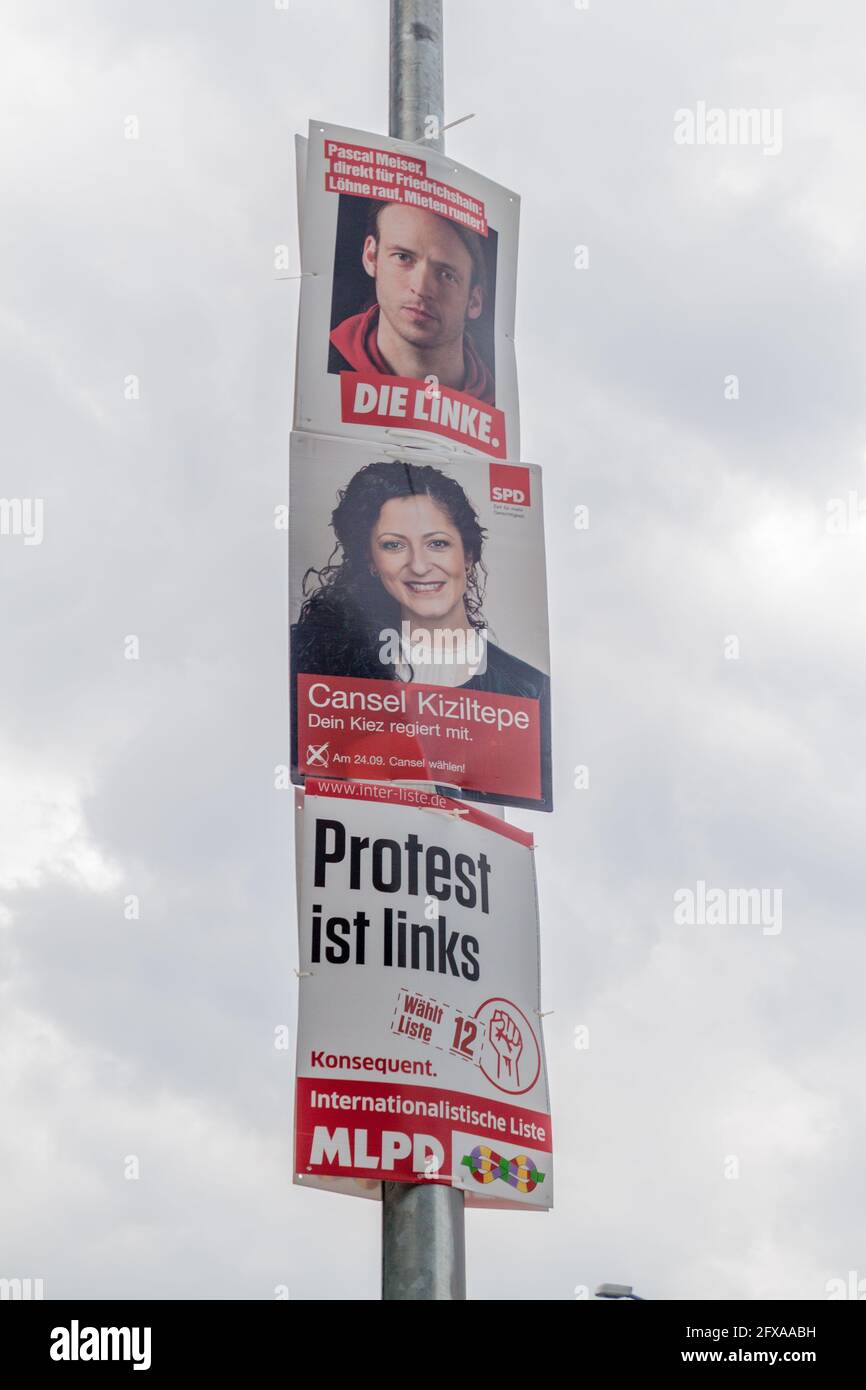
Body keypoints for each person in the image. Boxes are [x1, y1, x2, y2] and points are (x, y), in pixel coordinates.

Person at [291, 460, 551, 810]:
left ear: (468, 553)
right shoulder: (327, 666)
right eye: (394, 546)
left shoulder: (528, 691)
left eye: (438, 543)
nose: (418, 565)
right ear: (371, 561)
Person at [328, 202, 495, 405]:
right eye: (403, 257)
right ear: (371, 256)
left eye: (446, 275)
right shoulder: (319, 372)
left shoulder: (501, 409)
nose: (421, 288)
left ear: (474, 302)